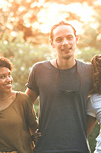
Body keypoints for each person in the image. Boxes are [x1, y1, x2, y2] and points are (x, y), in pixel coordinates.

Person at [25, 22, 92, 152]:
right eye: (59, 39)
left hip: (79, 149)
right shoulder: (39, 69)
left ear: (76, 39)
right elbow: (24, 105)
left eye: (69, 37)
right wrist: (33, 130)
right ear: (52, 44)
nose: (65, 43)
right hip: (45, 148)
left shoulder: (89, 71)